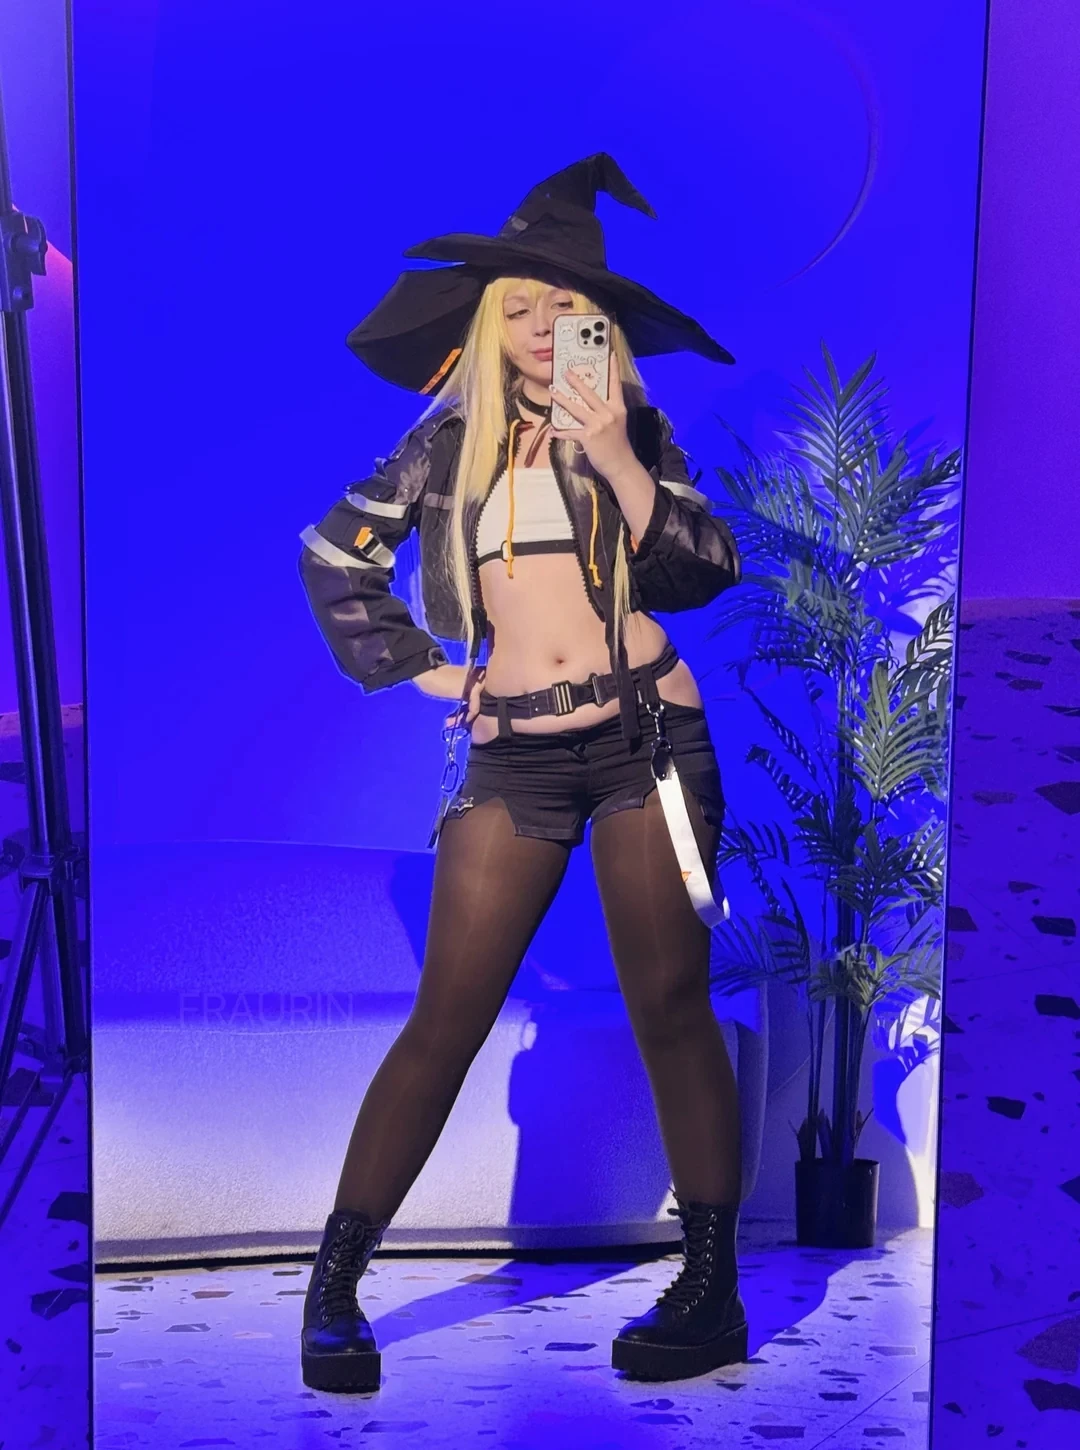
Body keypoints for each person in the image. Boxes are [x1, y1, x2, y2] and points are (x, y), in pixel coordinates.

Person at [296, 154, 746, 1392]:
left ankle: (712, 1293)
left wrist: (619, 458)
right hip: (518, 764)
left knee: (670, 1004)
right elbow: (334, 555)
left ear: (602, 325)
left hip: (649, 740)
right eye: (524, 306)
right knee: (446, 1018)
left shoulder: (636, 433)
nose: (547, 327)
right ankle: (333, 1291)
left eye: (570, 307)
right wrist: (427, 672)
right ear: (493, 323)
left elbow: (706, 567)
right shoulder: (445, 448)